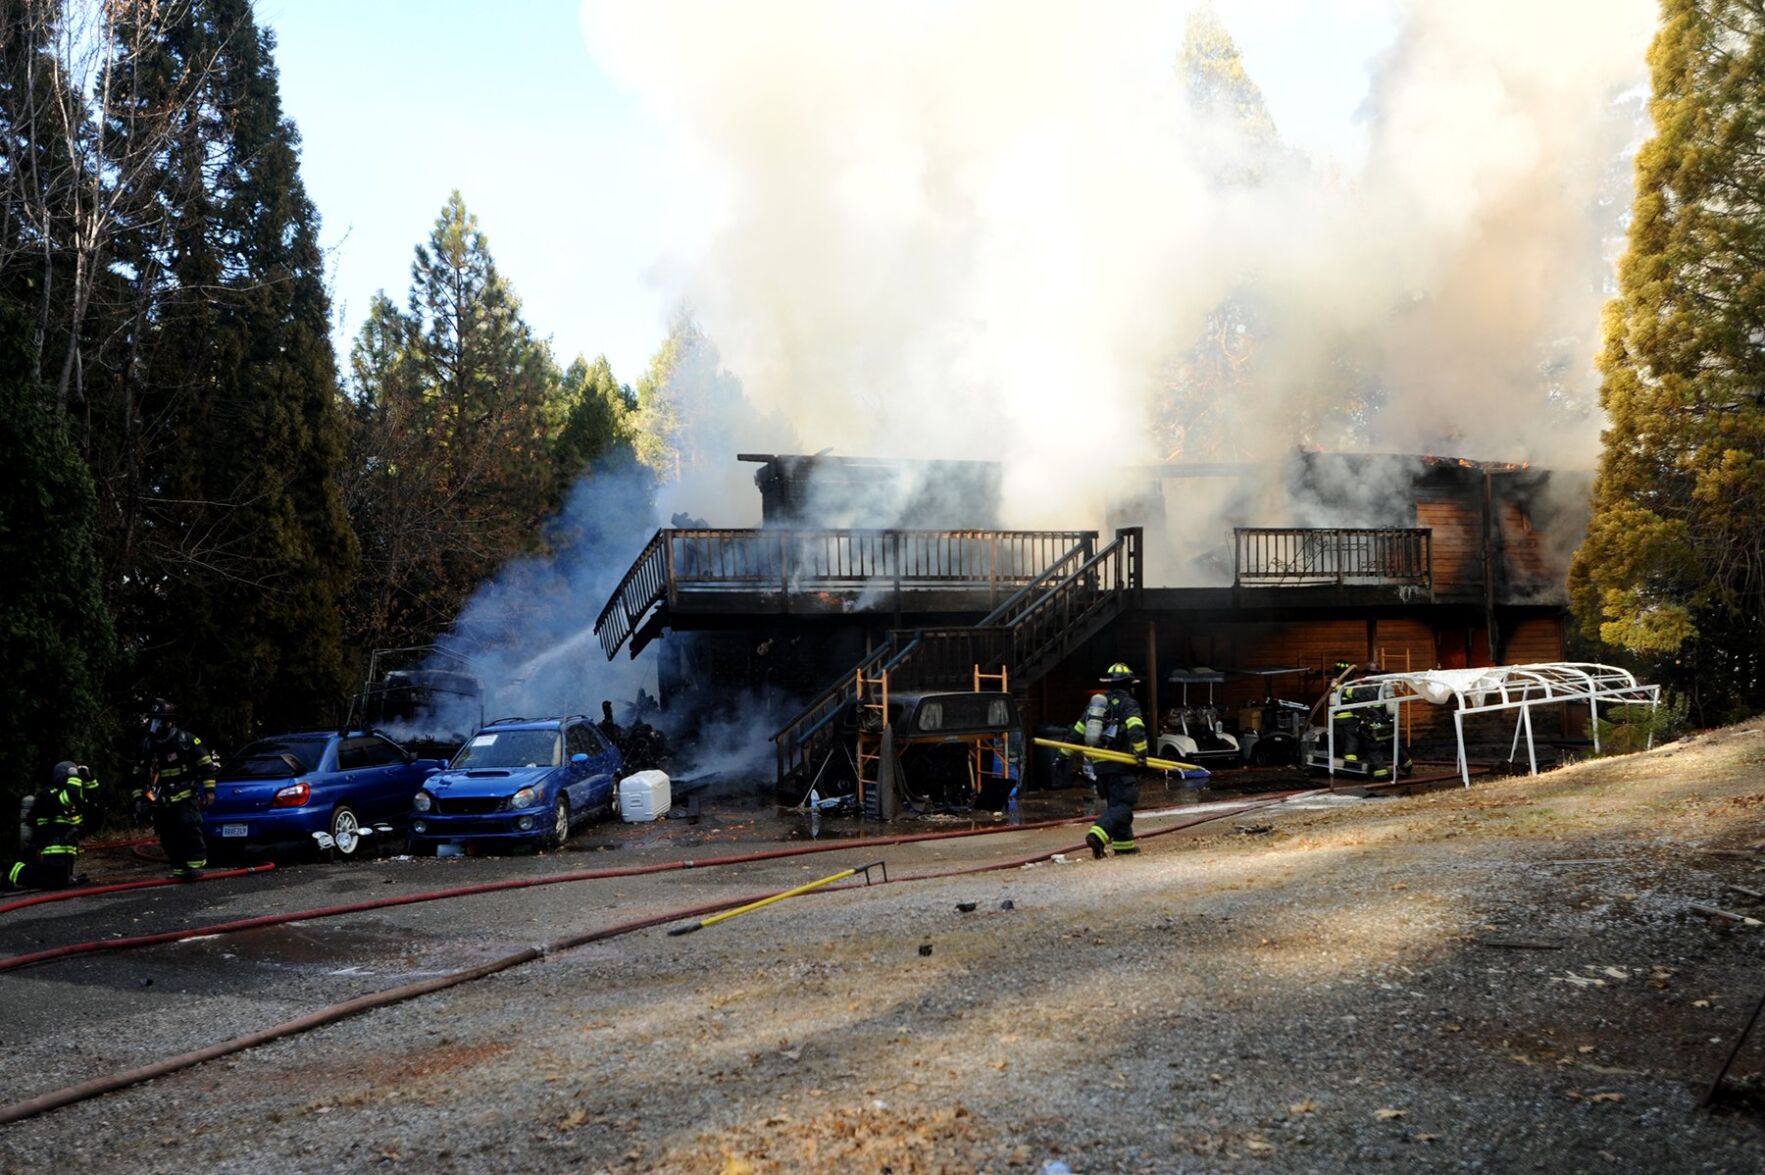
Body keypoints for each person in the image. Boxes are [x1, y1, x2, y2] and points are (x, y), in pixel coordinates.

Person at [1063, 663, 1151, 859]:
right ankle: (1097, 835)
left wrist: (1063, 755)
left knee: (1116, 805)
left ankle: (1124, 846)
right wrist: (1142, 755)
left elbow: (1078, 730)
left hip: (1100, 766)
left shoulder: (1098, 705)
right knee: (1123, 807)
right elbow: (1135, 729)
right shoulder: (1128, 703)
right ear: (1129, 684)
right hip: (1121, 763)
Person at [130, 699, 219, 880]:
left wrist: (209, 791)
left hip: (184, 795)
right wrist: (140, 799)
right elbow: (138, 774)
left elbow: (206, 766)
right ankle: (179, 868)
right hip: (160, 798)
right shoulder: (148, 744)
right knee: (167, 834)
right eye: (152, 721)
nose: (154, 725)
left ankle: (195, 866)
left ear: (169, 721)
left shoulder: (186, 740)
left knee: (189, 829)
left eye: (158, 721)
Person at [4, 761, 98, 891]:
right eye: (71, 773)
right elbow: (69, 798)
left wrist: (89, 779)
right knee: (54, 883)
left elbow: (94, 803)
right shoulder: (50, 793)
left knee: (60, 882)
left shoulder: (74, 797)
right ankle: (11, 872)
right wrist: (75, 775)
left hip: (66, 848)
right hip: (51, 847)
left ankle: (20, 871)